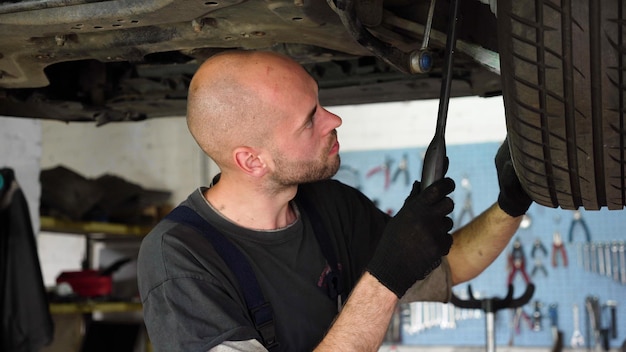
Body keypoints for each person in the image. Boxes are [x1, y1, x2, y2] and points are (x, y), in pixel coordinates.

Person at [137, 50, 533, 352]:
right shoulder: (179, 257)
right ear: (252, 160)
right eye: (310, 119)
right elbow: (390, 275)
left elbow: (449, 267)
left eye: (320, 103)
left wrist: (512, 203)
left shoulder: (327, 205)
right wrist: (386, 275)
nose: (334, 120)